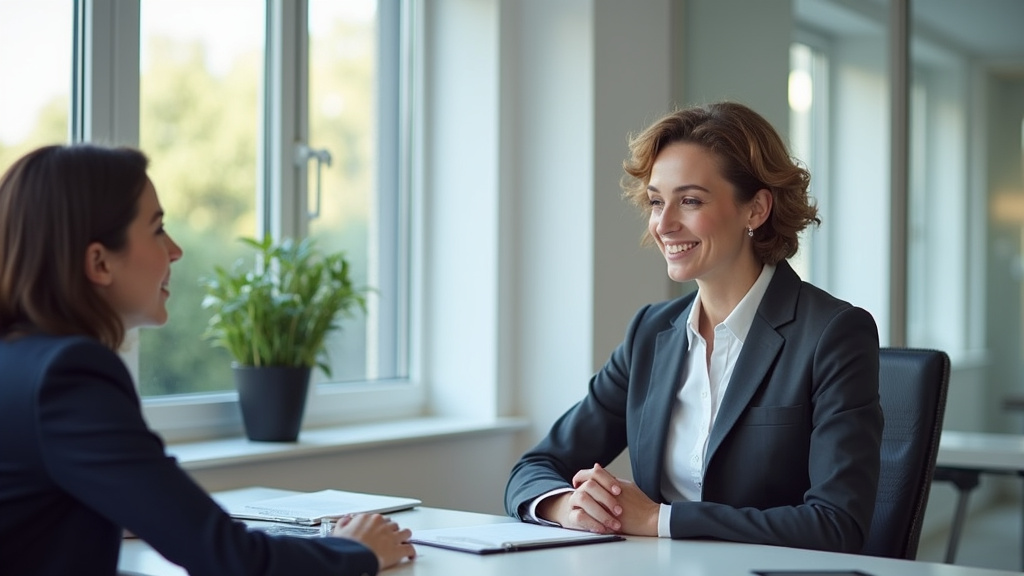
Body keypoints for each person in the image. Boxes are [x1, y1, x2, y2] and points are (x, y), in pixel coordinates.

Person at [0, 144, 416, 575]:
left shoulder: (18, 362)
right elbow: (230, 559)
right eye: (158, 228)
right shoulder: (69, 375)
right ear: (100, 262)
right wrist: (356, 550)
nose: (175, 250)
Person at [504, 102, 883, 553]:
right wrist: (568, 505)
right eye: (656, 201)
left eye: (690, 201)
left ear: (756, 209)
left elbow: (836, 525)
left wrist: (660, 519)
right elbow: (536, 466)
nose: (663, 225)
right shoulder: (651, 332)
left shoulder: (833, 334)